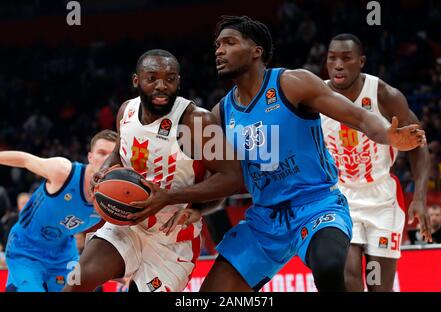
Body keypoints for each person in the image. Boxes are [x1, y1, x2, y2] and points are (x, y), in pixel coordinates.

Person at [164, 15, 424, 292]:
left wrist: (387, 135)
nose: (219, 50)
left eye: (229, 42)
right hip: (265, 219)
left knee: (329, 266)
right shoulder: (220, 114)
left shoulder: (292, 83)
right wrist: (196, 207)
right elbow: (227, 180)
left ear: (256, 51)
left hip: (317, 206)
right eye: (217, 45)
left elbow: (359, 117)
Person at [63, 49, 243, 292]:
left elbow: (232, 177)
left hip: (172, 238)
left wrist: (173, 199)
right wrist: (103, 172)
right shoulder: (125, 112)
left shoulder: (197, 121)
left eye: (170, 79)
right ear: (137, 81)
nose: (162, 86)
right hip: (128, 224)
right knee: (78, 281)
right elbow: (119, 152)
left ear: (178, 82)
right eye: (152, 78)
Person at [320, 33, 432, 292]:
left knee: (379, 285)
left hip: (382, 199)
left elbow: (418, 145)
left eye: (346, 58)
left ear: (361, 62)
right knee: (348, 277)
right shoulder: (317, 95)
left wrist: (420, 197)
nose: (337, 64)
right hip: (340, 197)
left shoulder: (384, 95)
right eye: (332, 58)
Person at [1, 129, 117, 291]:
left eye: (112, 155)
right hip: (26, 246)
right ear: (90, 157)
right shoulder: (63, 171)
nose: (106, 159)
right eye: (102, 153)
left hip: (64, 252)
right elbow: (25, 159)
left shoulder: (116, 196)